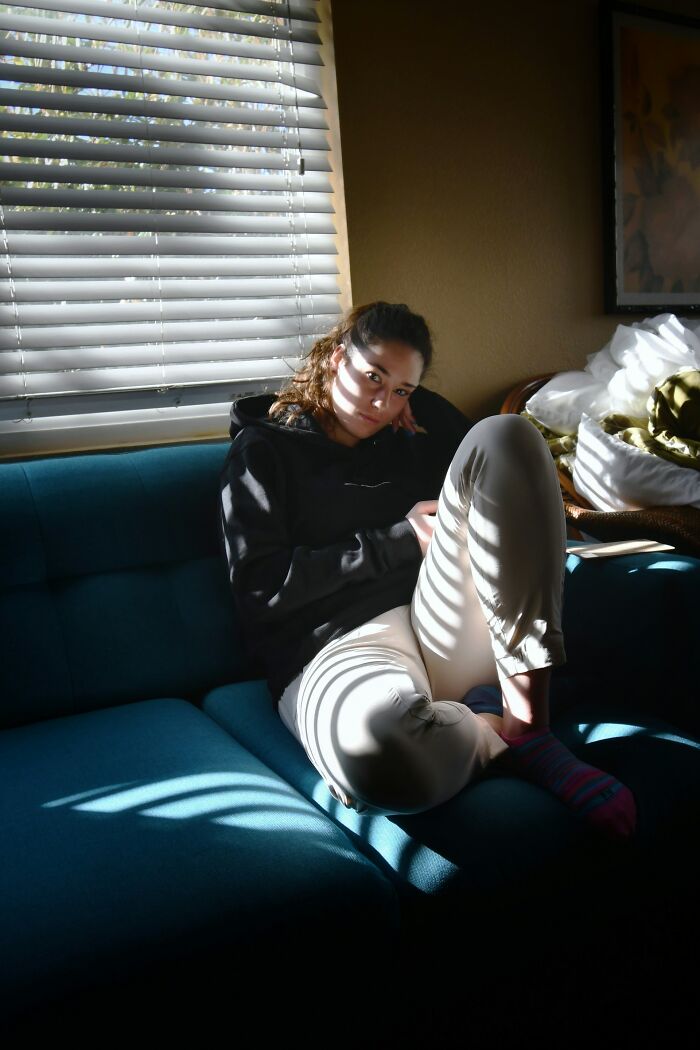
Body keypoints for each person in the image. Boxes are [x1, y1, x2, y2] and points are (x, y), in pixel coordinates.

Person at [219, 301, 636, 840]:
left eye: (401, 391)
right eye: (372, 376)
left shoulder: (412, 428)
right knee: (379, 750)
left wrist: (423, 415)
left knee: (508, 435)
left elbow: (501, 482)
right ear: (334, 359)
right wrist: (396, 540)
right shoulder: (261, 452)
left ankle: (531, 728)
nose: (380, 402)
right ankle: (490, 726)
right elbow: (259, 590)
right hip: (335, 646)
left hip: (442, 620)